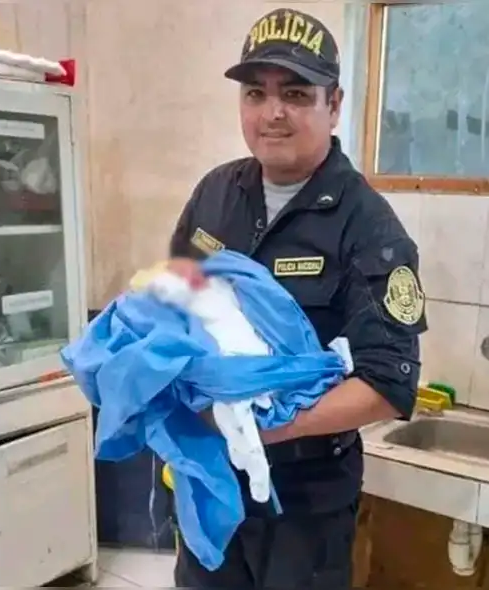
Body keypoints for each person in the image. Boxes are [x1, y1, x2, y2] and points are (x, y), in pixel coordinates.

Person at [165, 7, 426, 590]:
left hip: (304, 508)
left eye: (296, 93)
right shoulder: (215, 194)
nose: (273, 112)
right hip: (210, 481)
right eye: (256, 93)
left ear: (334, 106)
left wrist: (264, 427)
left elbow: (390, 385)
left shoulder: (368, 226)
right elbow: (174, 303)